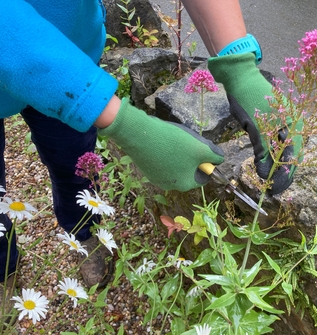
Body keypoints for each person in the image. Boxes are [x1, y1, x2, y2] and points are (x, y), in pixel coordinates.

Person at [0, 0, 300, 322]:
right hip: (66, 76)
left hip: (70, 57)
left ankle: (84, 232)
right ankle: (2, 267)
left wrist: (238, 64)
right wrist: (128, 125)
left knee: (73, 165)